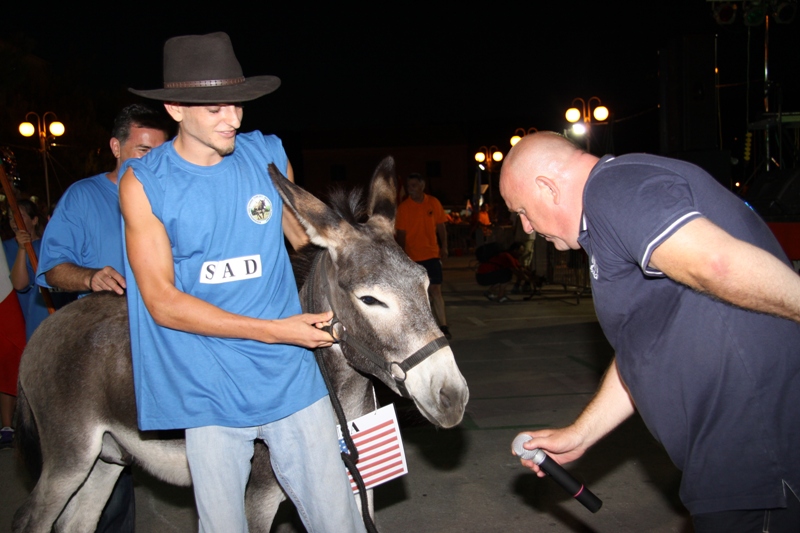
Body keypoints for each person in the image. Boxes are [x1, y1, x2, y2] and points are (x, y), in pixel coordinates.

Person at [119, 32, 365, 532]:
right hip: (208, 385)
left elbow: (302, 242)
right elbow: (163, 303)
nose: (233, 118)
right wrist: (278, 329)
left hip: (291, 377)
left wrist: (363, 249)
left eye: (236, 104)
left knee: (340, 521)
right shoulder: (145, 184)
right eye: (214, 109)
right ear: (174, 109)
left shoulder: (266, 155)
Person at [501, 131, 800, 532]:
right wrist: (581, 434)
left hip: (756, 448)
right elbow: (640, 349)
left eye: (522, 211)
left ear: (547, 187)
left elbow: (716, 264)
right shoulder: (604, 228)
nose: (526, 227)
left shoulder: (612, 187)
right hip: (728, 457)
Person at [34, 103, 171, 533]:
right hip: (96, 360)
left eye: (161, 152)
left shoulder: (171, 198)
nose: (155, 162)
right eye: (143, 150)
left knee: (116, 481)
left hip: (159, 346)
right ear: (115, 146)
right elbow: (51, 269)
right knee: (103, 494)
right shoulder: (82, 196)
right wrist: (90, 277)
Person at [1, 199, 49, 448]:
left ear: (33, 220)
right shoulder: (6, 248)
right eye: (10, 217)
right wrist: (21, 249)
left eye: (20, 216)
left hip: (40, 315)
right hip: (18, 316)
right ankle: (17, 426)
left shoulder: (47, 245)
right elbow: (17, 283)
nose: (14, 221)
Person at [395, 172, 452, 339]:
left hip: (432, 254)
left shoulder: (433, 203)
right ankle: (423, 327)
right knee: (420, 294)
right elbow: (401, 235)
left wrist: (445, 247)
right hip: (413, 257)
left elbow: (441, 227)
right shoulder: (404, 208)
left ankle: (444, 326)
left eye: (413, 185)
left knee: (436, 290)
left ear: (422, 186)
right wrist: (402, 256)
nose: (409, 189)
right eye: (408, 186)